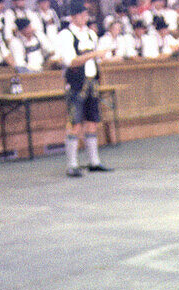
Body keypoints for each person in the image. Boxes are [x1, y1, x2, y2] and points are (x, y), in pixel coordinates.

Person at [57, 0, 111, 176]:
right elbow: (71, 61)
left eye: (85, 14)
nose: (84, 17)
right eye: (81, 14)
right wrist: (94, 54)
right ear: (73, 16)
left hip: (91, 82)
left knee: (92, 122)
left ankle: (93, 161)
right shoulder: (66, 35)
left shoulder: (90, 34)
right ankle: (71, 164)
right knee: (75, 123)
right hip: (76, 83)